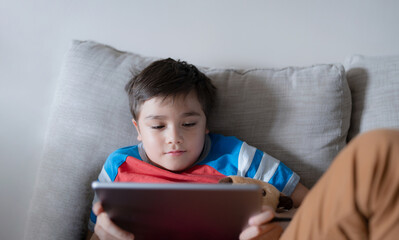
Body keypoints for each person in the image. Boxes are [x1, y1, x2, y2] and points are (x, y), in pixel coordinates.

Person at [86, 58, 309, 240]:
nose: (174, 138)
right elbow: (94, 233)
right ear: (138, 129)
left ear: (205, 124)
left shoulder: (239, 157)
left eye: (189, 124)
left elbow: (311, 203)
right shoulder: (118, 166)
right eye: (157, 126)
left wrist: (277, 230)